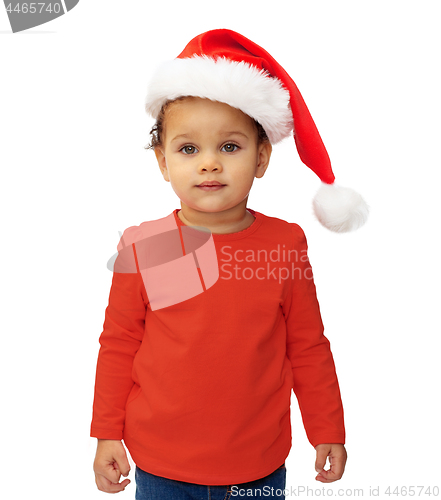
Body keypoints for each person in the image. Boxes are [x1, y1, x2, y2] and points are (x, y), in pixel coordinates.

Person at [90, 29, 369, 499]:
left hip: (257, 465)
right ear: (162, 162)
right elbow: (119, 345)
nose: (209, 165)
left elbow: (307, 345)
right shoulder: (146, 245)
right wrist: (105, 433)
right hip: (160, 465)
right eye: (188, 149)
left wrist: (328, 429)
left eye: (230, 147)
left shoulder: (284, 243)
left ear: (262, 158)